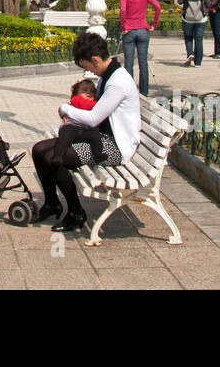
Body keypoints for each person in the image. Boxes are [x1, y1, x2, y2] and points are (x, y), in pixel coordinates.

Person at [29, 32, 140, 232]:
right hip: (98, 136)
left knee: (56, 157)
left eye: (85, 65)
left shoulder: (117, 82)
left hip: (114, 146)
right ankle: (52, 203)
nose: (86, 70)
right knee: (39, 150)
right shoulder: (109, 75)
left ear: (95, 60)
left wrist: (65, 109)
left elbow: (93, 118)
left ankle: (75, 212)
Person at [118, 0, 160, 87]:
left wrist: (123, 26)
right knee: (143, 63)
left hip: (129, 31)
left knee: (129, 63)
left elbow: (122, 11)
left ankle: (129, 90)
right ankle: (144, 91)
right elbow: (158, 7)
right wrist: (153, 24)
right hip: (143, 30)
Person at [50, 79, 105, 164]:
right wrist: (103, 105)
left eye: (92, 91)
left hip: (83, 132)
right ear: (76, 94)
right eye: (84, 90)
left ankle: (97, 154)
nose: (88, 93)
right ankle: (58, 156)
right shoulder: (77, 100)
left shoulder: (92, 103)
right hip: (71, 128)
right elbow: (88, 105)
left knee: (94, 135)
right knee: (64, 139)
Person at [179, 0, 208, 67]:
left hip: (188, 18)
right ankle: (198, 62)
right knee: (199, 39)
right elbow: (208, 3)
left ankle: (190, 53)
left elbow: (179, 1)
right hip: (201, 18)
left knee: (188, 37)